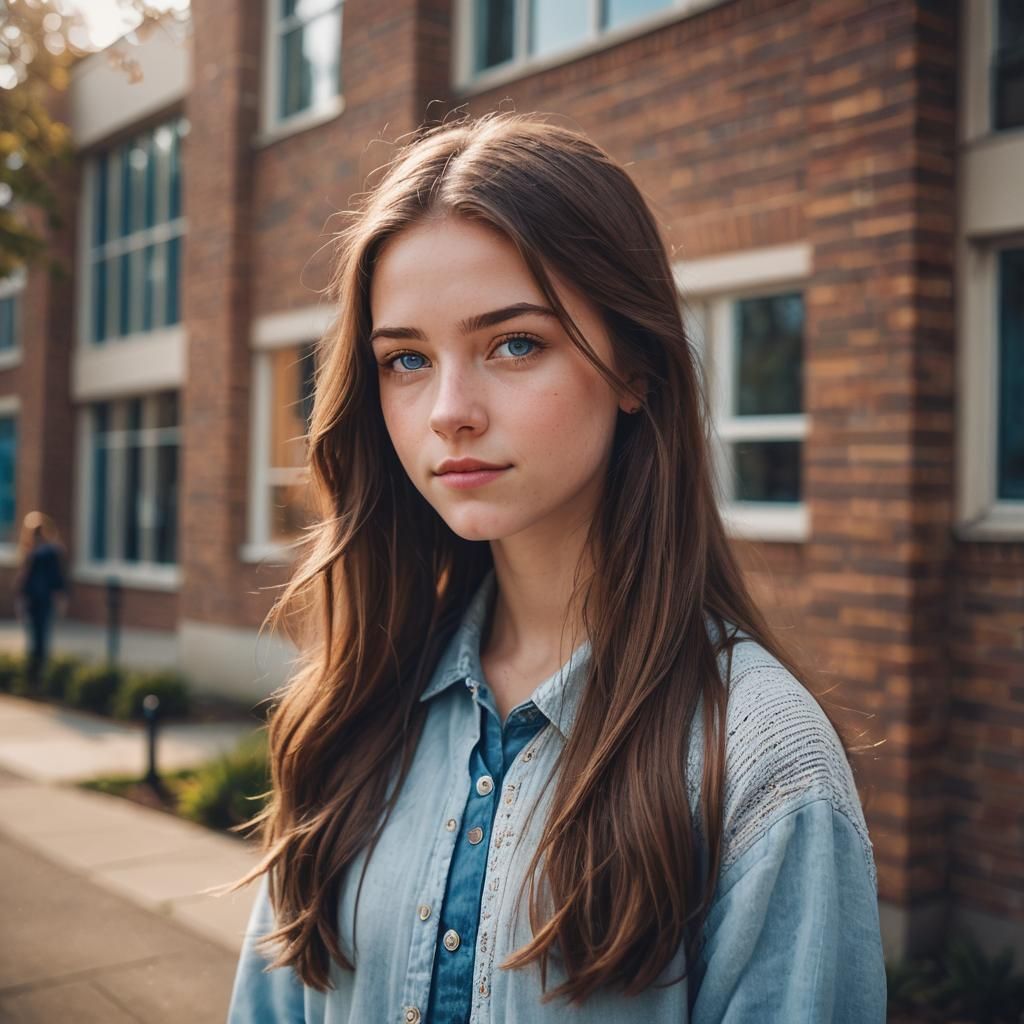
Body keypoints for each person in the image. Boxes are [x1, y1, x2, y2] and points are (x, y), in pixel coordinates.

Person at [224, 110, 887, 1022]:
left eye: (514, 343)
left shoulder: (763, 765)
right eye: (406, 359)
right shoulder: (354, 702)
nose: (448, 411)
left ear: (635, 367)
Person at [13, 510, 69, 686]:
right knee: (40, 637)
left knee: (37, 638)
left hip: (37, 599)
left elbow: (26, 580)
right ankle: (36, 676)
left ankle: (35, 676)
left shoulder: (38, 554)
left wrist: (20, 599)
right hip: (41, 600)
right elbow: (57, 580)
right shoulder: (50, 552)